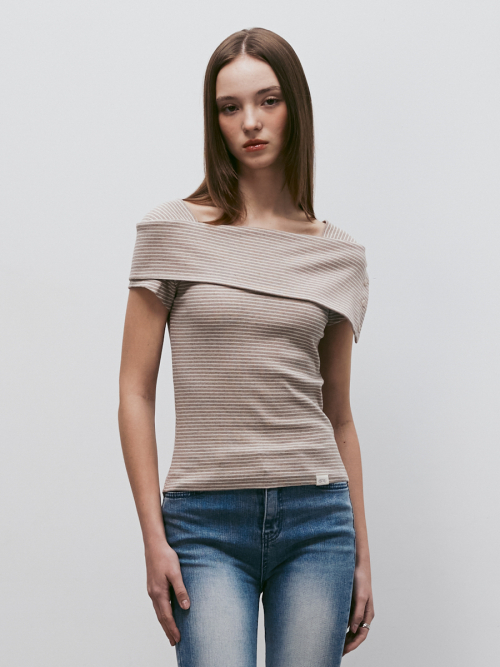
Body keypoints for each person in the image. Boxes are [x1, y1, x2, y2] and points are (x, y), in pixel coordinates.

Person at [118, 26, 374, 667]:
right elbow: (134, 391)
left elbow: (339, 415)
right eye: (229, 107)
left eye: (268, 101)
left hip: (318, 520)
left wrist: (364, 557)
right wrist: (153, 537)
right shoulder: (171, 231)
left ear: (296, 109)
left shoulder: (338, 256)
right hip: (203, 523)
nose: (250, 122)